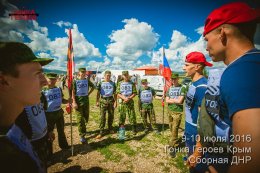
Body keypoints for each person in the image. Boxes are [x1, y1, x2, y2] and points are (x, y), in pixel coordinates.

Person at [188, 2, 260, 173]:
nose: (206, 47)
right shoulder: (246, 65)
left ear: (222, 33)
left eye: (206, 39)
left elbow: (250, 158)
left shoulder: (243, 70)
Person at [0, 41, 53, 173]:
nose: (45, 81)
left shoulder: (10, 130)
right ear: (3, 81)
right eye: (36, 74)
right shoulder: (7, 158)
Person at [182, 52, 212, 163]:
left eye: (186, 65)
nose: (183, 68)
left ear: (197, 67)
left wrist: (197, 152)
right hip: (189, 128)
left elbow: (204, 123)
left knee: (196, 165)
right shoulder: (193, 84)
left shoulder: (202, 87)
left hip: (196, 132)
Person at [15, 95, 54, 168]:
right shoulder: (14, 102)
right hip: (30, 144)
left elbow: (43, 113)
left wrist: (49, 130)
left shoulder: (40, 95)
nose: (45, 83)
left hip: (43, 138)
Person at [42, 72, 69, 153]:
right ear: (46, 79)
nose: (52, 81)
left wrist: (67, 101)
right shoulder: (42, 91)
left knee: (61, 131)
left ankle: (64, 145)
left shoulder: (58, 89)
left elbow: (62, 100)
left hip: (59, 114)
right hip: (48, 116)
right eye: (50, 79)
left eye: (54, 79)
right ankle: (49, 152)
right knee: (49, 134)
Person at [165, 73, 186, 158]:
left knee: (175, 128)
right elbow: (167, 100)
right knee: (171, 127)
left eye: (175, 79)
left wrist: (171, 99)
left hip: (178, 112)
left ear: (178, 79)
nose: (173, 80)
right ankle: (175, 141)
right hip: (170, 110)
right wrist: (175, 100)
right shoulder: (170, 88)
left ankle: (172, 147)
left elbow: (180, 101)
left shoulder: (182, 88)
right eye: (172, 79)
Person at [72, 67, 95, 144]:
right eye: (82, 72)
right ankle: (82, 135)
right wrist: (74, 102)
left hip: (86, 102)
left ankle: (83, 130)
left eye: (84, 72)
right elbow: (72, 92)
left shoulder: (87, 80)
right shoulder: (75, 81)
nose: (83, 73)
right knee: (79, 119)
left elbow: (93, 87)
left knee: (85, 118)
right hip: (78, 103)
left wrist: (88, 93)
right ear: (79, 73)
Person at [96, 70, 117, 139]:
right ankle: (101, 131)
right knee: (102, 117)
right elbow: (98, 93)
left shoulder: (113, 83)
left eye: (109, 76)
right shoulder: (101, 83)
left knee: (111, 116)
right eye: (107, 75)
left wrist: (116, 102)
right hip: (103, 101)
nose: (108, 77)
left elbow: (115, 93)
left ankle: (110, 128)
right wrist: (97, 101)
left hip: (111, 100)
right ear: (104, 76)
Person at [116, 71, 137, 135]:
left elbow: (135, 92)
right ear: (122, 76)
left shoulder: (132, 83)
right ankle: (121, 129)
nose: (125, 76)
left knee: (132, 115)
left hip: (130, 101)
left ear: (128, 75)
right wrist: (124, 98)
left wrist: (129, 98)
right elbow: (118, 93)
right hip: (122, 102)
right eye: (124, 75)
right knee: (122, 115)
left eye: (126, 75)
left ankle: (133, 129)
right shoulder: (119, 83)